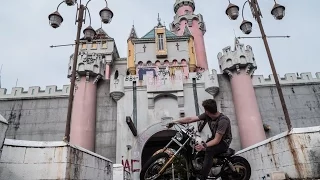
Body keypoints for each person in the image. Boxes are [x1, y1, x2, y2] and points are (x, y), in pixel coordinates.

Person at [166, 99, 232, 180]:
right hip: (215, 138)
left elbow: (217, 140)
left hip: (224, 142)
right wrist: (175, 121)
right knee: (198, 146)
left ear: (207, 111)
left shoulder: (223, 120)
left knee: (209, 150)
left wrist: (204, 146)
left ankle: (203, 177)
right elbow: (190, 119)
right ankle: (199, 168)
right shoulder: (207, 115)